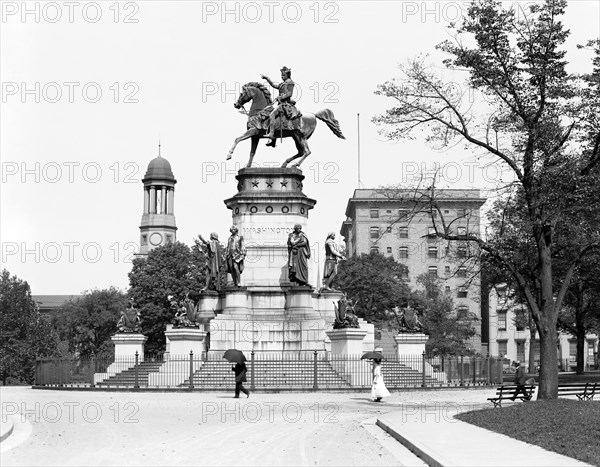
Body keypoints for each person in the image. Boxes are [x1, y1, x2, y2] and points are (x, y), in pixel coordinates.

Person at [261, 66, 301, 147]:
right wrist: (267, 78)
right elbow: (274, 85)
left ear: (287, 75)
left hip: (285, 104)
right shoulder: (283, 83)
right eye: (281, 75)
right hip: (280, 104)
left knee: (272, 115)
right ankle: (273, 141)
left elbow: (290, 94)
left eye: (283, 75)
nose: (282, 77)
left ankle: (271, 134)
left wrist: (281, 97)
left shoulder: (290, 82)